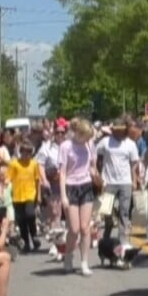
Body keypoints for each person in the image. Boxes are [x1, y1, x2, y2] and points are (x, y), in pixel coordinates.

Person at [59, 118, 98, 276]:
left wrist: (95, 174)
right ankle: (68, 256)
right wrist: (63, 196)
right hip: (71, 186)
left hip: (86, 185)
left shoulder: (89, 145)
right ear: (78, 133)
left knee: (85, 227)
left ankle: (84, 262)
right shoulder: (66, 146)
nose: (88, 139)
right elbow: (62, 172)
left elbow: (93, 166)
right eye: (86, 136)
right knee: (74, 229)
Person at [96, 118, 141, 245]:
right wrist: (97, 173)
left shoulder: (130, 144)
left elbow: (134, 163)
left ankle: (123, 240)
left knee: (124, 212)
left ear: (125, 130)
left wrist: (134, 180)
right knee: (106, 211)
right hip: (108, 181)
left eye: (121, 130)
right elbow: (94, 155)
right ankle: (107, 234)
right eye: (116, 130)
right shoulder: (105, 142)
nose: (118, 132)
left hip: (125, 182)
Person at [7, 141, 43, 252]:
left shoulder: (34, 164)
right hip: (17, 195)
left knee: (30, 214)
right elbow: (8, 178)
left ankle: (34, 235)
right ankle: (26, 242)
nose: (26, 154)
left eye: (29, 152)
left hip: (30, 194)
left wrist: (39, 195)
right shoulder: (14, 164)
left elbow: (38, 180)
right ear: (20, 152)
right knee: (21, 220)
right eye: (24, 152)